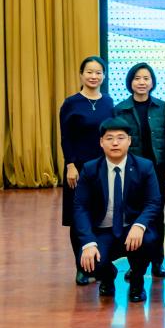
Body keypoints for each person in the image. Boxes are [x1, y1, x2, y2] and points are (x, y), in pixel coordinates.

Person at [73, 118, 163, 303]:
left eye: (121, 138)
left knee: (148, 241)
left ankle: (137, 281)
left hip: (132, 228)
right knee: (90, 261)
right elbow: (80, 207)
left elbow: (153, 202)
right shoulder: (90, 169)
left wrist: (139, 225)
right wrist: (88, 242)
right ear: (101, 142)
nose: (115, 143)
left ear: (129, 141)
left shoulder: (144, 167)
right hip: (103, 230)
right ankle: (107, 276)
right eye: (109, 138)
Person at [60, 55, 115, 285]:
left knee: (99, 214)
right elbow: (66, 137)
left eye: (98, 72)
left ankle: (98, 262)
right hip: (79, 168)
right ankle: (81, 268)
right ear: (81, 75)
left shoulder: (108, 102)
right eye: (89, 72)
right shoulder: (71, 103)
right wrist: (70, 165)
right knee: (78, 217)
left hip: (103, 168)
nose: (94, 76)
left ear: (104, 76)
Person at [113, 62, 165, 278]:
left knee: (157, 216)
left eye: (146, 78)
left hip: (157, 170)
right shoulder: (121, 109)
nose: (142, 82)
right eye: (137, 78)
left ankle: (157, 261)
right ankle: (135, 263)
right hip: (131, 171)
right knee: (132, 215)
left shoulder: (162, 107)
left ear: (152, 82)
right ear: (130, 82)